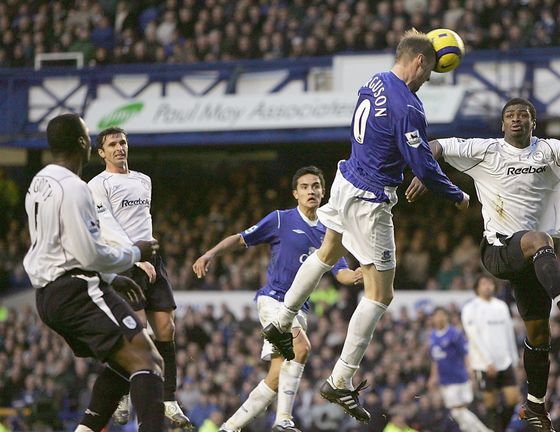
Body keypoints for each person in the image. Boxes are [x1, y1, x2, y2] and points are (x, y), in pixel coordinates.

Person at [263, 29, 470, 422]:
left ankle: (281, 320)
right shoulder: (409, 106)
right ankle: (340, 380)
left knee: (327, 252)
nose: (427, 81)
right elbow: (423, 164)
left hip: (346, 178)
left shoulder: (375, 81)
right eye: (429, 74)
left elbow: (400, 145)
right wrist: (455, 194)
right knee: (380, 294)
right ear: (421, 62)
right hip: (369, 200)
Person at [407, 97, 560, 431]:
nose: (516, 120)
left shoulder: (551, 151)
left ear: (533, 122)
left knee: (539, 336)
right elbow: (437, 145)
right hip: (498, 249)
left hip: (533, 261)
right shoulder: (486, 151)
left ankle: (536, 406)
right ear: (502, 124)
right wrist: (426, 171)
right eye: (509, 116)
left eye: (522, 115)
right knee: (540, 238)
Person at [191, 166, 363, 432]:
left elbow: (341, 272)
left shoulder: (330, 232)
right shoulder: (281, 219)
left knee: (275, 377)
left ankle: (229, 427)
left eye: (316, 186)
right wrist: (210, 254)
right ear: (295, 193)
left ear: (323, 191)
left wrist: (356, 275)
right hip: (273, 300)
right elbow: (241, 239)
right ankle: (283, 420)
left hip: (299, 308)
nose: (311, 191)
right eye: (305, 187)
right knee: (302, 348)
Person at [22, 113, 165, 432]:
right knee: (149, 361)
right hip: (75, 290)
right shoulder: (76, 189)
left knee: (124, 360)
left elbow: (65, 245)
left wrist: (112, 278)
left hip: (48, 295)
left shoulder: (40, 181)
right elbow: (87, 252)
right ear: (83, 143)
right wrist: (134, 253)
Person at [87, 126, 192, 428]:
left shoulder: (143, 180)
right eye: (112, 144)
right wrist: (134, 253)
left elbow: (141, 220)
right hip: (124, 260)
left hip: (151, 259)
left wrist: (148, 254)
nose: (119, 148)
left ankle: (169, 399)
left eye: (123, 142)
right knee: (137, 329)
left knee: (166, 327)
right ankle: (122, 395)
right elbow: (105, 223)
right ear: (101, 152)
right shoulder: (98, 184)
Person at [461, 275, 521, 431]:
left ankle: (499, 428)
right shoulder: (470, 308)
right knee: (491, 403)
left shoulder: (501, 306)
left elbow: (509, 333)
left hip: (505, 361)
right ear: (477, 287)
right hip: (484, 364)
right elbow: (473, 336)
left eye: (490, 283)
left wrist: (514, 359)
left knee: (513, 399)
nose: (487, 286)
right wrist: (487, 361)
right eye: (483, 283)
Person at [428, 307, 492, 432]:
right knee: (458, 412)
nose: (439, 318)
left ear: (446, 317)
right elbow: (435, 358)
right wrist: (433, 376)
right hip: (444, 380)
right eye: (437, 315)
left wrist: (469, 369)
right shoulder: (432, 336)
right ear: (433, 319)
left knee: (457, 410)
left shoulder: (454, 333)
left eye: (442, 315)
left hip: (458, 378)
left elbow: (466, 353)